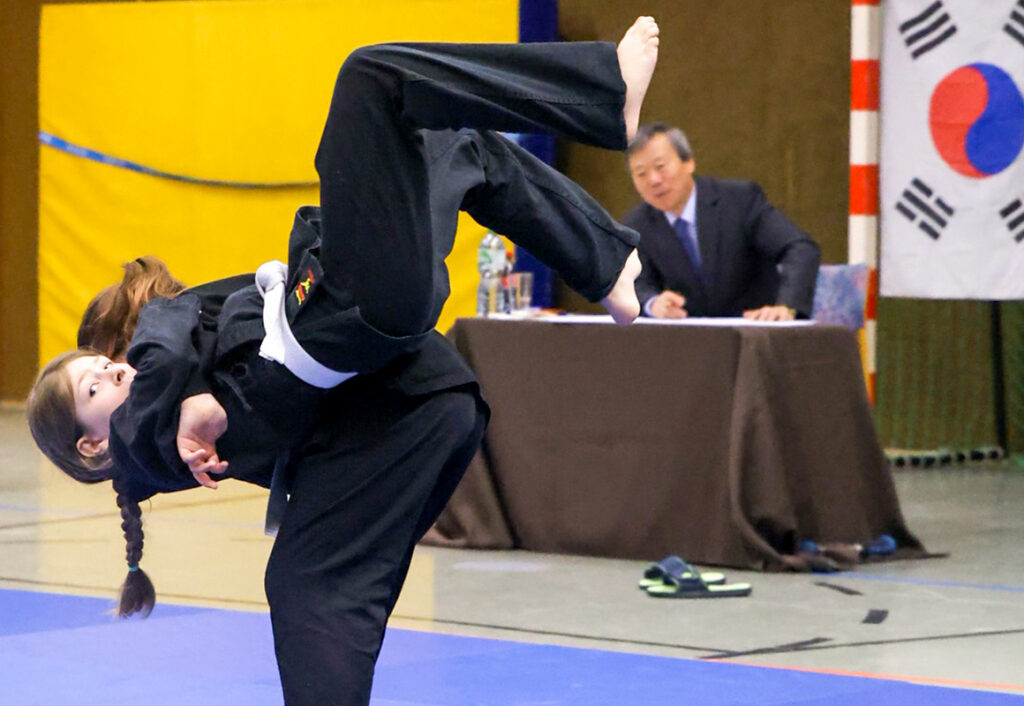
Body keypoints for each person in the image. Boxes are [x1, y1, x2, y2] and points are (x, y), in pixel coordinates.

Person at [26, 20, 659, 706]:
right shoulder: (141, 436)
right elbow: (162, 339)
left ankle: (606, 263)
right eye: (97, 381)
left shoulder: (166, 388)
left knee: (454, 140)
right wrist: (171, 372)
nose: (118, 371)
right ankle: (600, 94)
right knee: (371, 77)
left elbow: (173, 325)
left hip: (407, 380)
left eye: (108, 362)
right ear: (91, 446)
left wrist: (185, 380)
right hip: (356, 311)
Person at [623, 122, 820, 320]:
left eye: (660, 167)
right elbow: (635, 283)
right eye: (641, 173)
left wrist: (786, 307)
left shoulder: (740, 200)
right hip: (690, 340)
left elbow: (800, 248)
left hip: (757, 330)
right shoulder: (638, 224)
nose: (654, 180)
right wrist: (652, 303)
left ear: (689, 162)